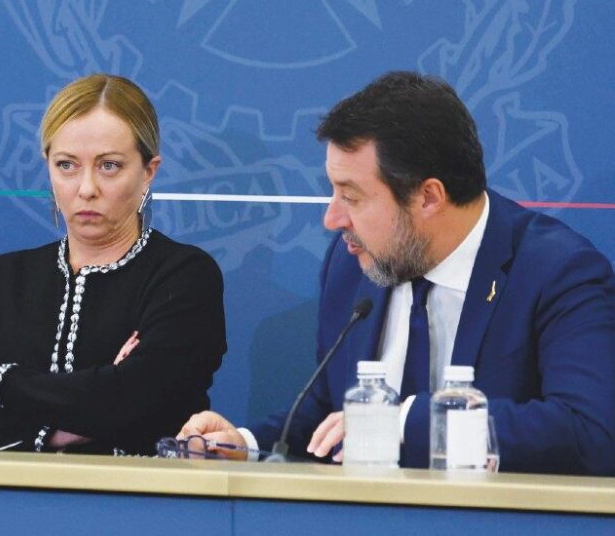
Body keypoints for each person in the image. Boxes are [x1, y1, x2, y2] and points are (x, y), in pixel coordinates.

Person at [180, 71, 615, 475]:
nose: (332, 219)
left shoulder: (556, 272)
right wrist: (246, 444)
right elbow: (331, 414)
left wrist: (404, 420)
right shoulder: (351, 264)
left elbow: (590, 432)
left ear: (428, 197)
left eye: (352, 197)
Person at [0, 74, 226, 455]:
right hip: (6, 491)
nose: (86, 188)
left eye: (109, 166)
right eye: (67, 165)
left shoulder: (184, 276)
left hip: (144, 491)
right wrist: (59, 429)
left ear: (148, 172)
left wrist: (4, 383)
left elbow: (136, 400)